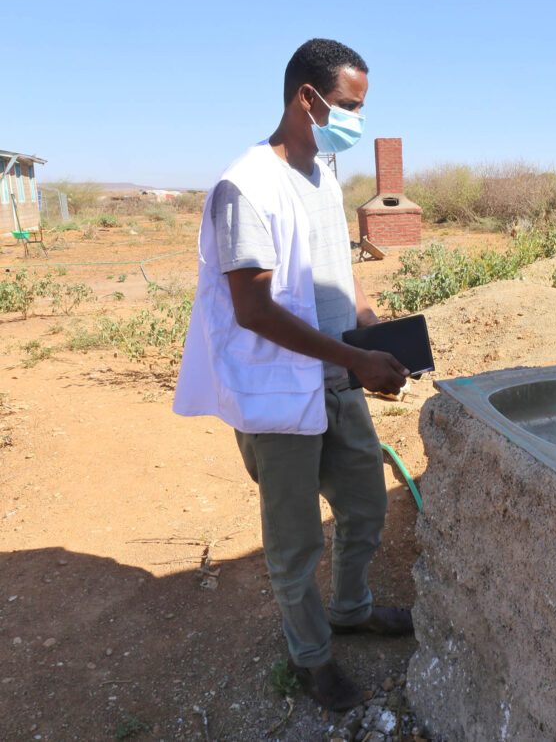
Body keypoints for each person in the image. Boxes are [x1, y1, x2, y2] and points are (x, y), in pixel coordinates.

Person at [173, 38, 412, 712]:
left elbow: (336, 267)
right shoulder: (244, 187)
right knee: (295, 539)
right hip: (280, 394)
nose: (354, 121)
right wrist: (355, 359)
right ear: (306, 98)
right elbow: (252, 308)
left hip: (339, 379)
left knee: (365, 504)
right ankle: (311, 656)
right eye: (348, 106)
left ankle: (350, 609)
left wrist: (368, 323)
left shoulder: (324, 169)